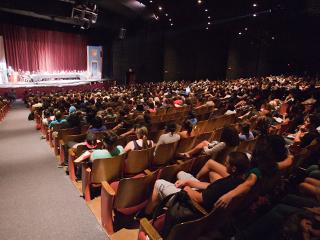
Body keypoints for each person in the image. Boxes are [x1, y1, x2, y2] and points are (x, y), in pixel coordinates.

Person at [144, 151, 250, 215]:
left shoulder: (225, 185)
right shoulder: (239, 181)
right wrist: (188, 182)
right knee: (181, 173)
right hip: (202, 193)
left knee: (158, 183)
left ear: (234, 168)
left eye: (227, 163)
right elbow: (210, 186)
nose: (225, 164)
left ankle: (147, 214)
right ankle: (162, 199)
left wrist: (186, 188)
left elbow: (198, 198)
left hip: (193, 204)